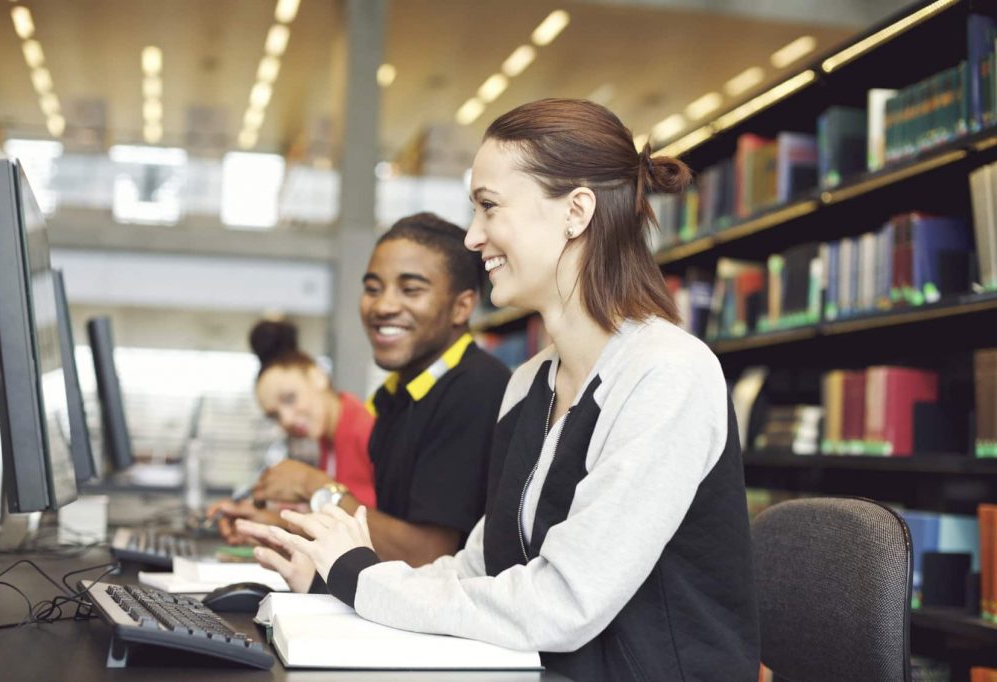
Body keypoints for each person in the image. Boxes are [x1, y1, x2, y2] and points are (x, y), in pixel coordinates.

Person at [238, 99, 760, 680]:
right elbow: (478, 570)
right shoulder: (526, 385)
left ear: (576, 212)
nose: (471, 237)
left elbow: (564, 603)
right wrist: (329, 576)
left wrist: (363, 578)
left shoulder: (667, 373)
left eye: (488, 207)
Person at [235, 213, 511, 567]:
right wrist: (276, 528)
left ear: (462, 306)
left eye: (411, 289)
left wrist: (315, 487)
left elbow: (426, 557)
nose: (383, 306)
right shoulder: (395, 397)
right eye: (373, 288)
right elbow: (382, 531)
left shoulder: (475, 389)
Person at [207, 319, 377, 544]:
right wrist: (268, 524)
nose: (286, 419)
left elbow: (371, 533)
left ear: (317, 375)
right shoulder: (330, 441)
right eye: (275, 415)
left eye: (290, 398)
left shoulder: (362, 431)